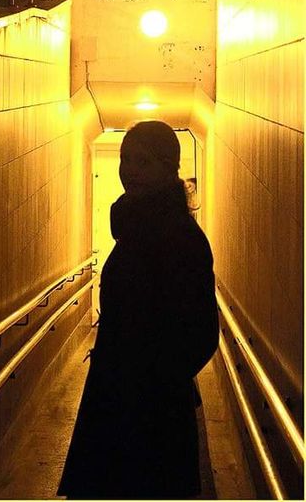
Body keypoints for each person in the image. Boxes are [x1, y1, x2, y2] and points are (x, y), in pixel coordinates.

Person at [58, 121, 219, 500]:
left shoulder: (179, 237)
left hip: (151, 415)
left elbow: (201, 333)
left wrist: (150, 381)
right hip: (117, 400)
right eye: (126, 160)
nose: (130, 170)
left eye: (142, 162)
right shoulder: (136, 228)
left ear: (169, 169)